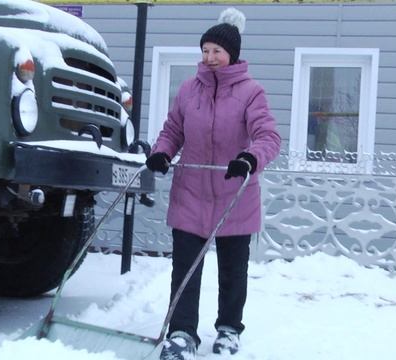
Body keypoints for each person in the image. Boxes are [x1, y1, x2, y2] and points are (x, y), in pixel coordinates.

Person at [145, 7, 281, 360]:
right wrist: (162, 152)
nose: (210, 57)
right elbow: (173, 129)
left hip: (234, 192)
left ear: (231, 54)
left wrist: (249, 158)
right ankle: (181, 334)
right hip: (191, 191)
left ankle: (229, 329)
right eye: (205, 51)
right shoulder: (189, 90)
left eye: (217, 51)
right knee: (186, 270)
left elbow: (267, 135)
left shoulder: (251, 92)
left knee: (233, 271)